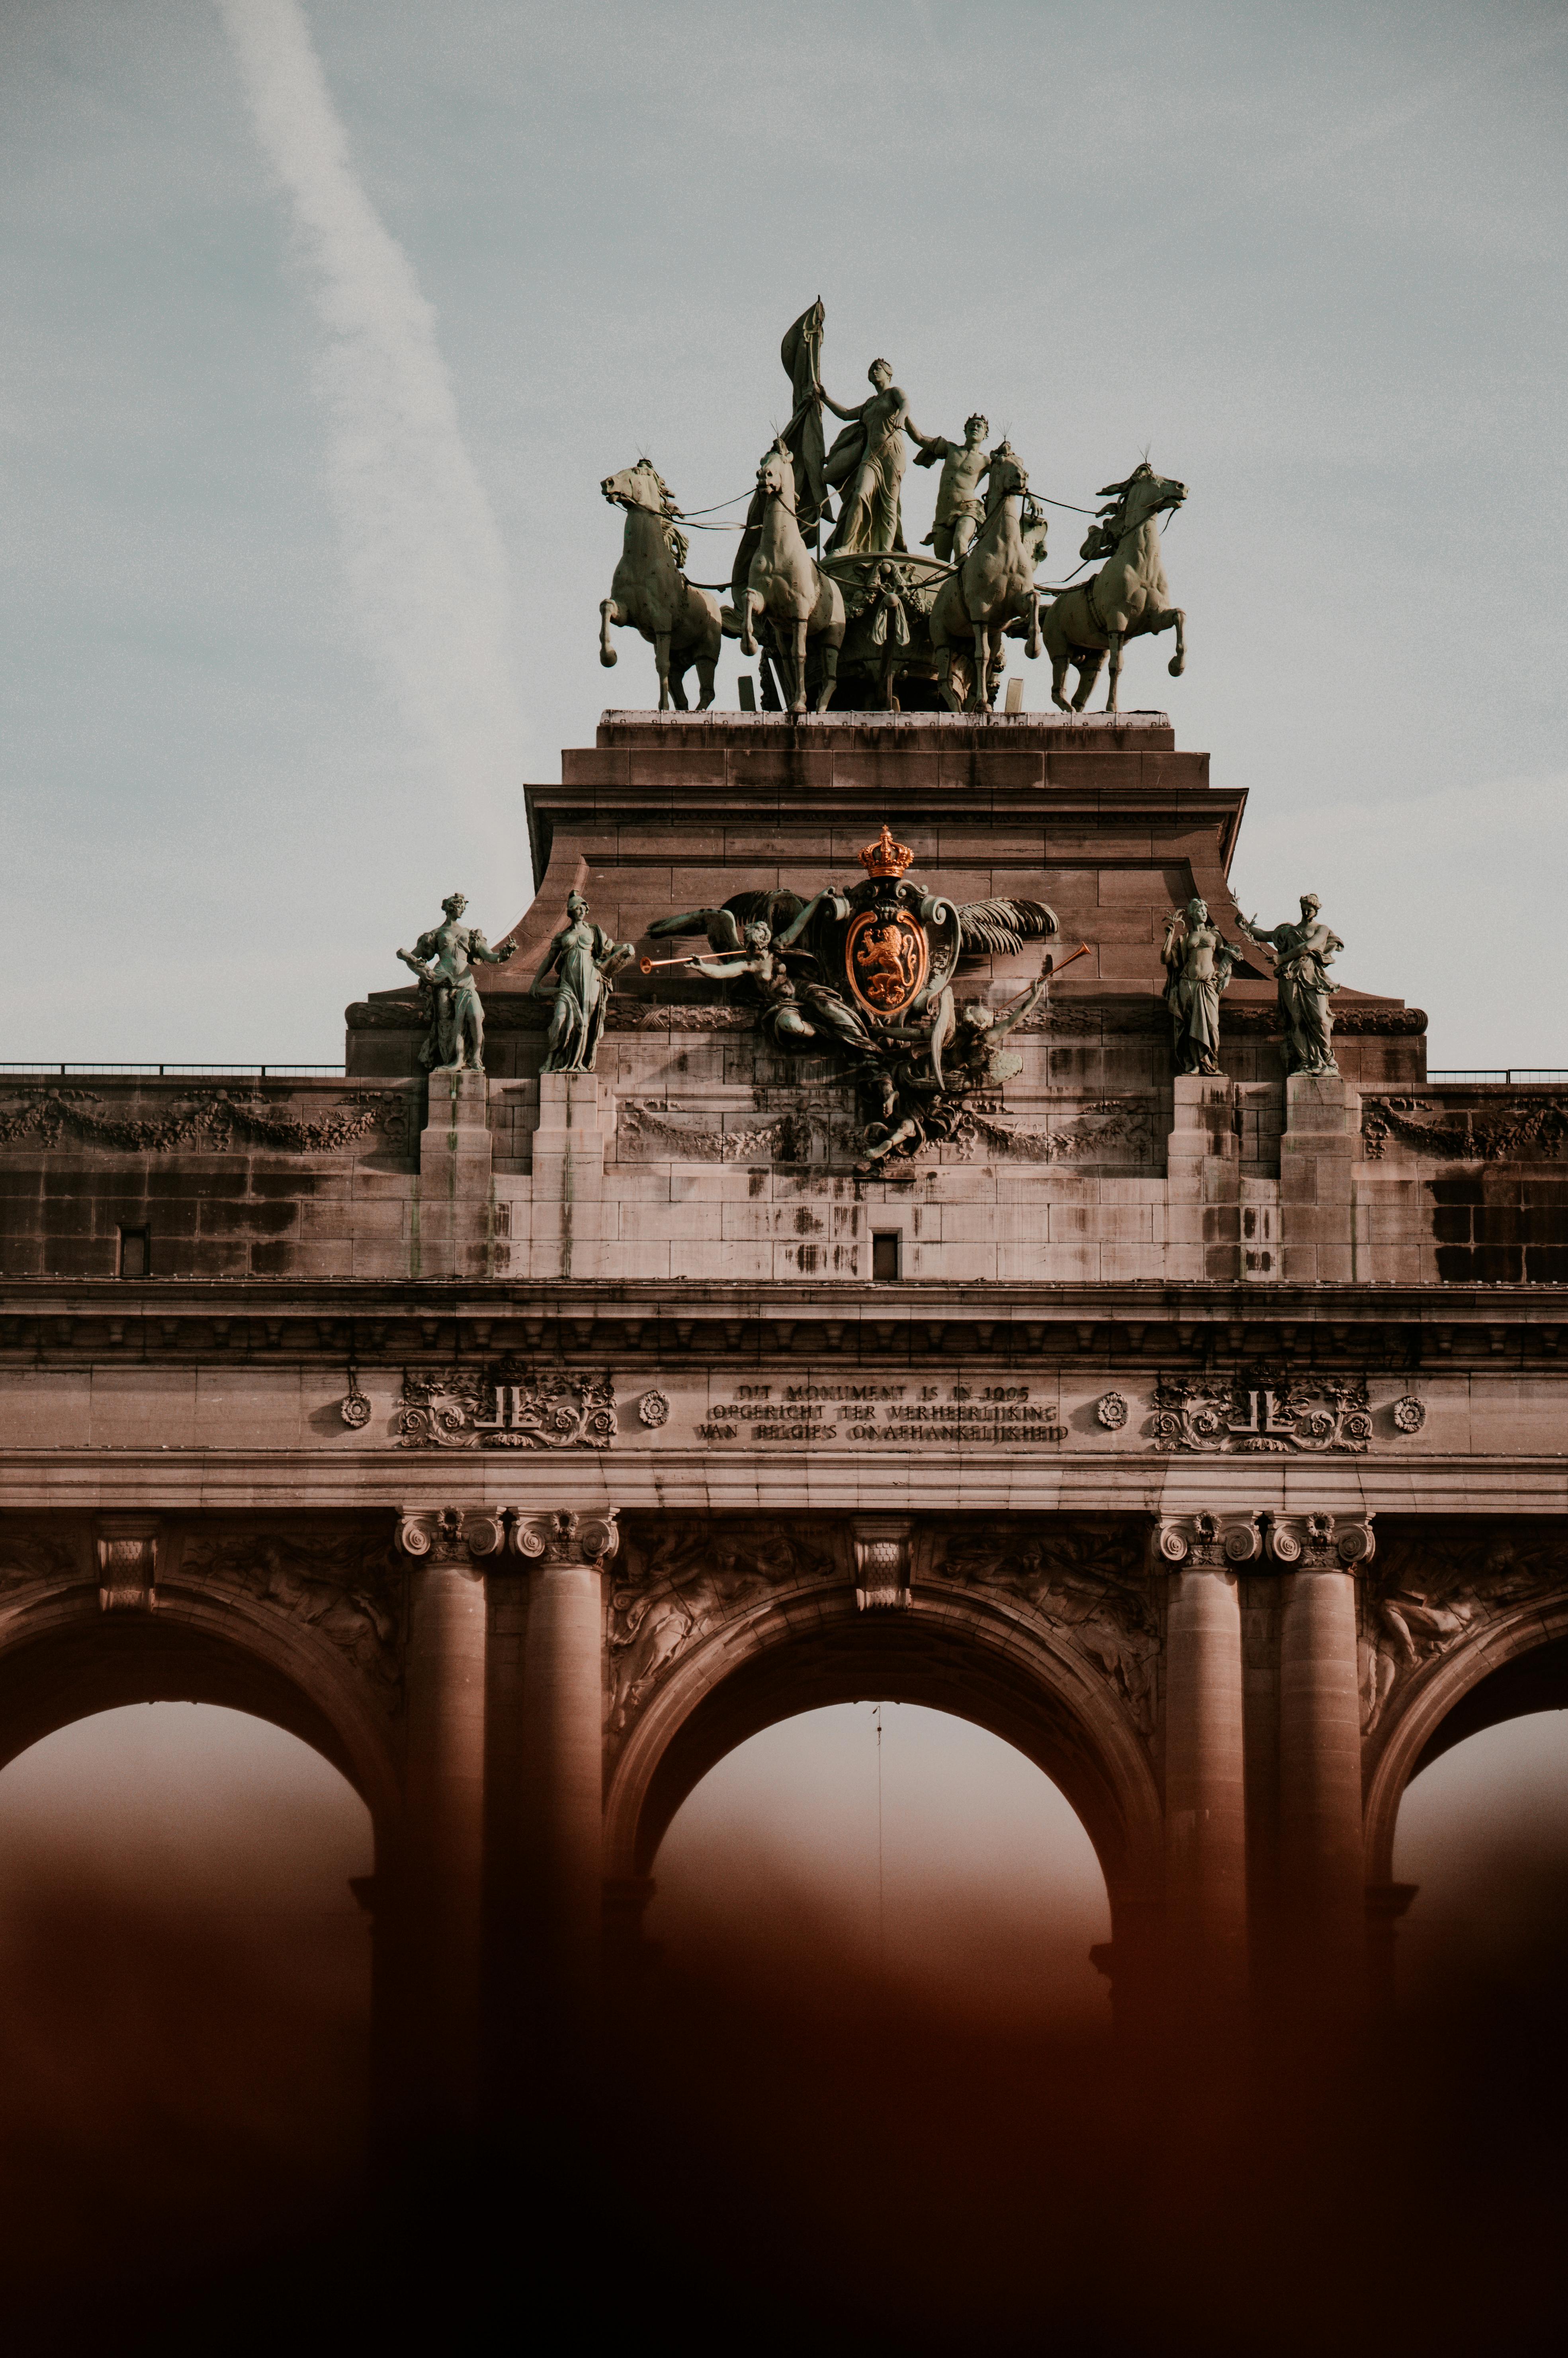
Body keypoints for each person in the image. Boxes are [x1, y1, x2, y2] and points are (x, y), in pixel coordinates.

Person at [820, 360, 933, 556]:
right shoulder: (870, 403)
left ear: (889, 373)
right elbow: (846, 414)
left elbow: (906, 404)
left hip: (892, 453)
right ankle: (847, 546)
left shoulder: (894, 392)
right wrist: (825, 398)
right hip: (871, 456)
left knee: (890, 503)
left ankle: (885, 551)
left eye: (877, 368)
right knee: (860, 495)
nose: (873, 371)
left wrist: (901, 416)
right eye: (871, 368)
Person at [396, 892, 515, 1073]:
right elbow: (415, 957)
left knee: (475, 1016)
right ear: (450, 908)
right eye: (460, 907)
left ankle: (475, 1058)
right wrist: (407, 957)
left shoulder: (470, 934)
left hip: (465, 982)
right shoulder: (435, 935)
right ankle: (451, 1061)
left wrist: (505, 955)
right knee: (446, 1023)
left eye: (464, 908)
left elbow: (490, 956)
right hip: (442, 981)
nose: (462, 911)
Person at [528, 891, 633, 1074]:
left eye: (584, 908)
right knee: (560, 1020)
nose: (582, 911)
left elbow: (609, 949)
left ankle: (578, 1064)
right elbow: (549, 960)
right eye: (578, 908)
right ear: (571, 912)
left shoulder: (594, 931)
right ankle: (551, 1059)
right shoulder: (562, 936)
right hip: (568, 983)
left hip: (590, 981)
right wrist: (536, 982)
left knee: (583, 1022)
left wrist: (626, 949)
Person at [1239, 894, 1344, 1076]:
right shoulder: (1288, 931)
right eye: (1304, 908)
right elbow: (1264, 935)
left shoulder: (1322, 929)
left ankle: (1327, 1061)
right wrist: (1244, 924)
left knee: (1320, 1019)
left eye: (1310, 909)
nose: (1306, 912)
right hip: (1290, 976)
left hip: (1312, 976)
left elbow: (1307, 947)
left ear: (1316, 911)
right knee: (1296, 1020)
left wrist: (1281, 958)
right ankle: (1306, 1063)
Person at [1161, 898, 1246, 1077]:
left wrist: (1228, 970)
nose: (1204, 913)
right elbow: (1166, 959)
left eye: (1205, 910)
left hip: (1208, 984)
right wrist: (1170, 935)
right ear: (1192, 914)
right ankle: (1195, 1065)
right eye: (1200, 910)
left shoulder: (1214, 935)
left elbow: (1226, 957)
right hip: (1188, 983)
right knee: (1191, 1026)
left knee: (1212, 1025)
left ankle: (1211, 1063)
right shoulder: (1185, 938)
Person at [915, 413, 991, 563]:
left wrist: (1029, 496)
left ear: (985, 435)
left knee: (960, 541)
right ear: (965, 431)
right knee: (941, 563)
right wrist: (902, 416)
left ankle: (968, 583)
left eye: (979, 426)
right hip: (944, 512)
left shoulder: (986, 461)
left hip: (968, 508)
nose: (975, 428)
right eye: (971, 426)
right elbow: (920, 438)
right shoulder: (951, 449)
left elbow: (1011, 476)